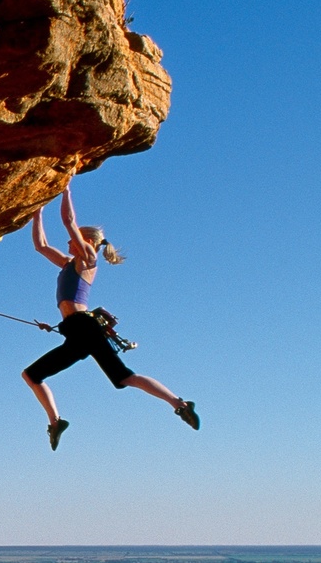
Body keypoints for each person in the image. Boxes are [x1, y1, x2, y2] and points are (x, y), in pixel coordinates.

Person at [22, 186, 198, 449]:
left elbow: (70, 222)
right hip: (75, 330)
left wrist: (66, 189)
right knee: (33, 375)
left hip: (84, 327)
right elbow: (41, 246)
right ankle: (56, 422)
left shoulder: (88, 259)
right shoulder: (68, 263)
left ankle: (179, 404)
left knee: (124, 377)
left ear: (89, 243)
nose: (70, 243)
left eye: (75, 241)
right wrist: (38, 211)